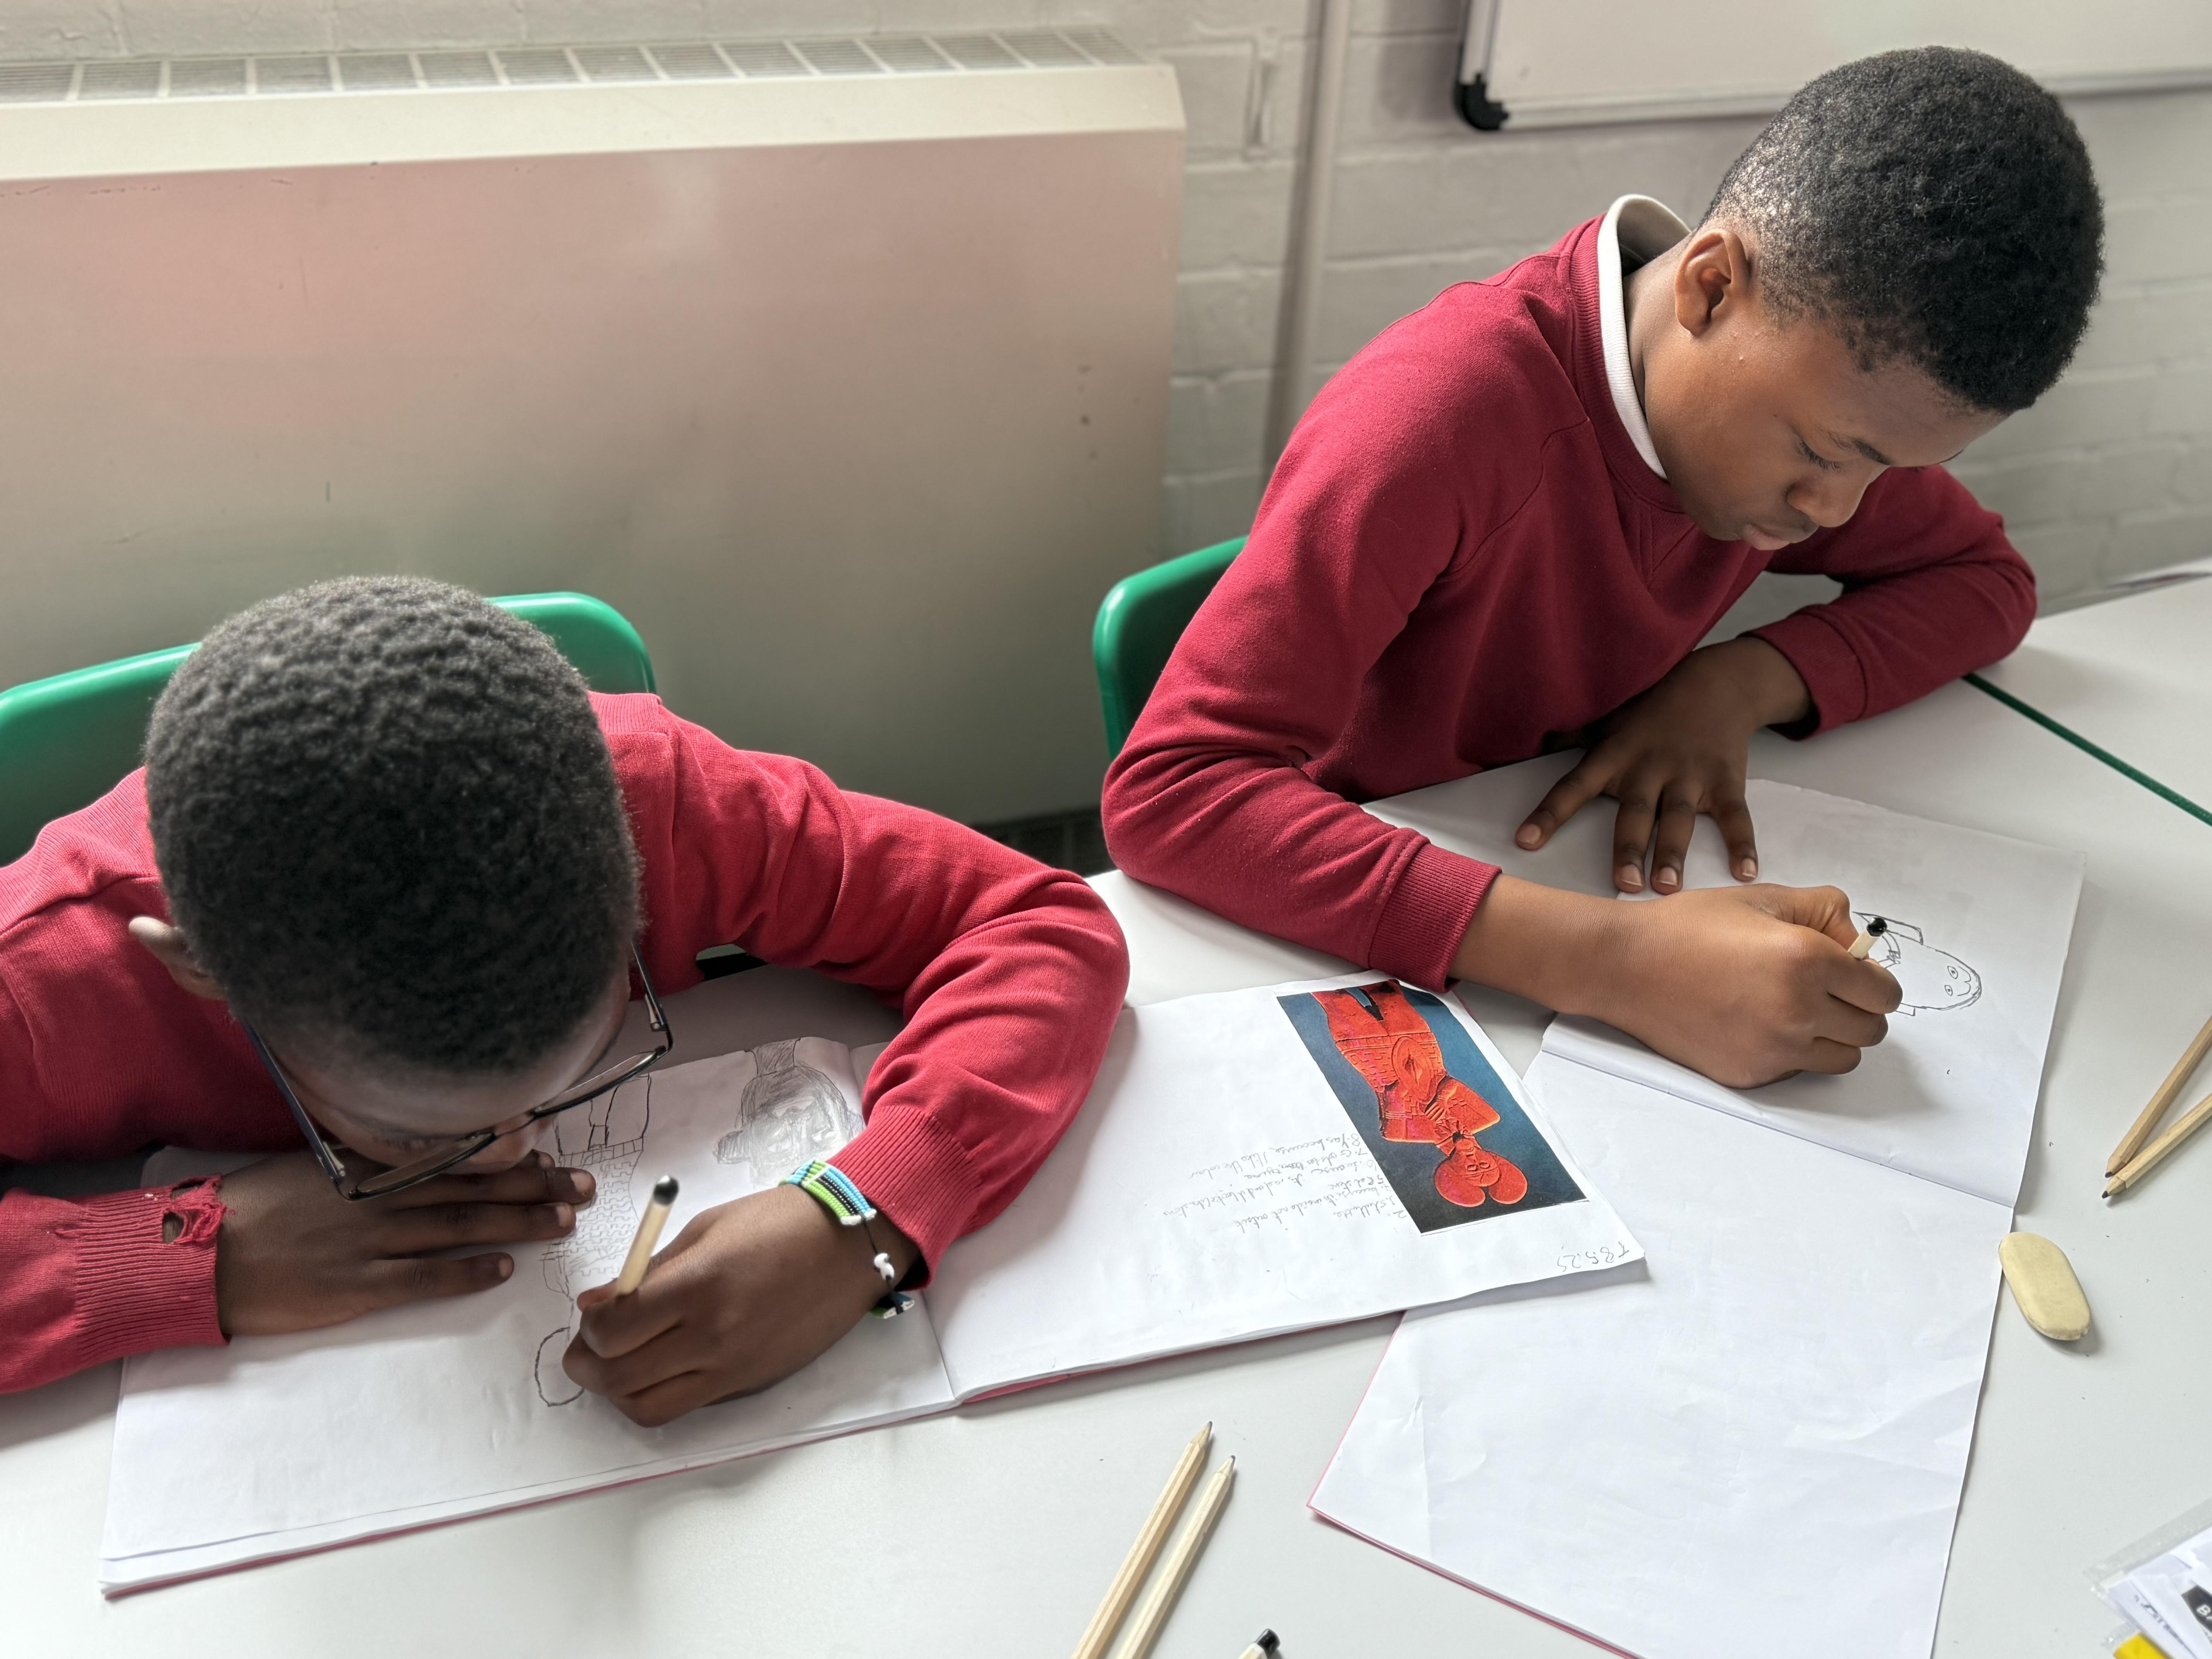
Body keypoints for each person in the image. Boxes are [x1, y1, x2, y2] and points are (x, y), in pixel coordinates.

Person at [1103, 47, 2102, 1088]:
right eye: (1821, 454)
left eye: (1888, 470)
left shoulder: (1827, 399)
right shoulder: (1438, 420)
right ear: (1711, 288)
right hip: (1323, 932)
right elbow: (1174, 790)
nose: (1836, 510)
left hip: (1532, 856)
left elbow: (1988, 582)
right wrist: (1614, 964)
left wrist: (1737, 684)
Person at [0, 577, 1128, 1420]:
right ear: (205, 977)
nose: (517, 1154)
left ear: (635, 877)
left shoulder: (656, 796)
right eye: (413, 1134)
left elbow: (1035, 923)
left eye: (579, 1064)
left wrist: (864, 1218)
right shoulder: (37, 980)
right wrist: (182, 1254)